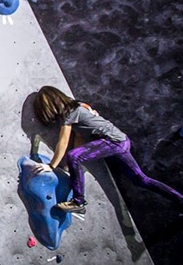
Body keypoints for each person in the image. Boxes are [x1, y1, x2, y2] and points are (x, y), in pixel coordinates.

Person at [32, 85, 183, 214]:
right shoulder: (79, 107)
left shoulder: (69, 113)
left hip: (113, 141)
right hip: (121, 141)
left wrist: (51, 166)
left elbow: (63, 141)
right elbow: (79, 137)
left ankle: (78, 202)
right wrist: (70, 165)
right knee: (141, 180)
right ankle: (180, 199)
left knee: (73, 156)